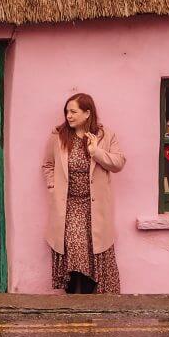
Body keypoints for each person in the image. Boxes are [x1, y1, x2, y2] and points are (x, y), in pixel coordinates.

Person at [42, 93, 125, 294]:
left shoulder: (105, 136)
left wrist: (96, 151)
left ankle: (89, 300)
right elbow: (48, 165)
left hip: (95, 205)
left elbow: (118, 163)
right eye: (67, 112)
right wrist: (52, 187)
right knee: (74, 250)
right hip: (69, 205)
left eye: (73, 111)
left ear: (87, 113)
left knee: (93, 250)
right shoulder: (58, 136)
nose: (68, 116)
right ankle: (74, 300)